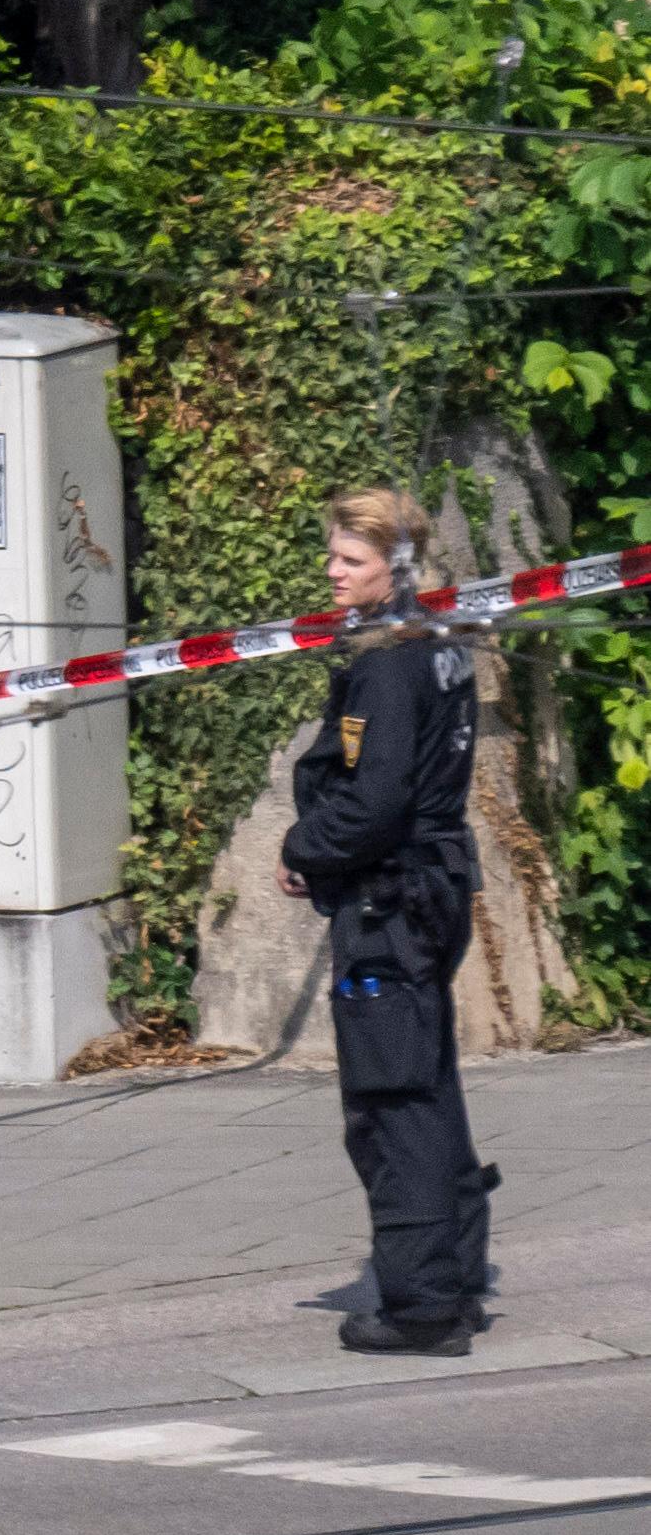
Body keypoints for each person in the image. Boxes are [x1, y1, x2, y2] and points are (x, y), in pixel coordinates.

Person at [287, 488, 500, 1358]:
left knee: (391, 1100)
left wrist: (304, 846)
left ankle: (420, 1306)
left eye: (351, 560)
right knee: (429, 1080)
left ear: (397, 566)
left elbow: (374, 804)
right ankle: (453, 1269)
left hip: (391, 897)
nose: (332, 573)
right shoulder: (441, 647)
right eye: (333, 555)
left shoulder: (388, 663)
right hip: (433, 886)